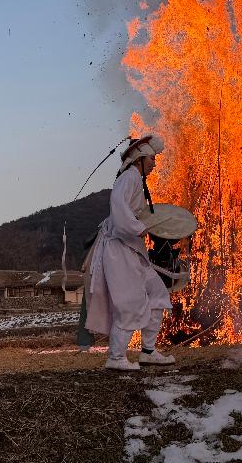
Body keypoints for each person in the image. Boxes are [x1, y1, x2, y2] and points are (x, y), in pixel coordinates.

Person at [84, 135, 175, 371]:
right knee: (129, 302)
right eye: (152, 159)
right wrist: (138, 228)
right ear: (141, 159)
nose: (155, 164)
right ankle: (116, 358)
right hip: (119, 249)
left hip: (131, 248)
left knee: (156, 292)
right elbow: (118, 205)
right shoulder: (130, 176)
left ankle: (148, 351)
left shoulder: (136, 178)